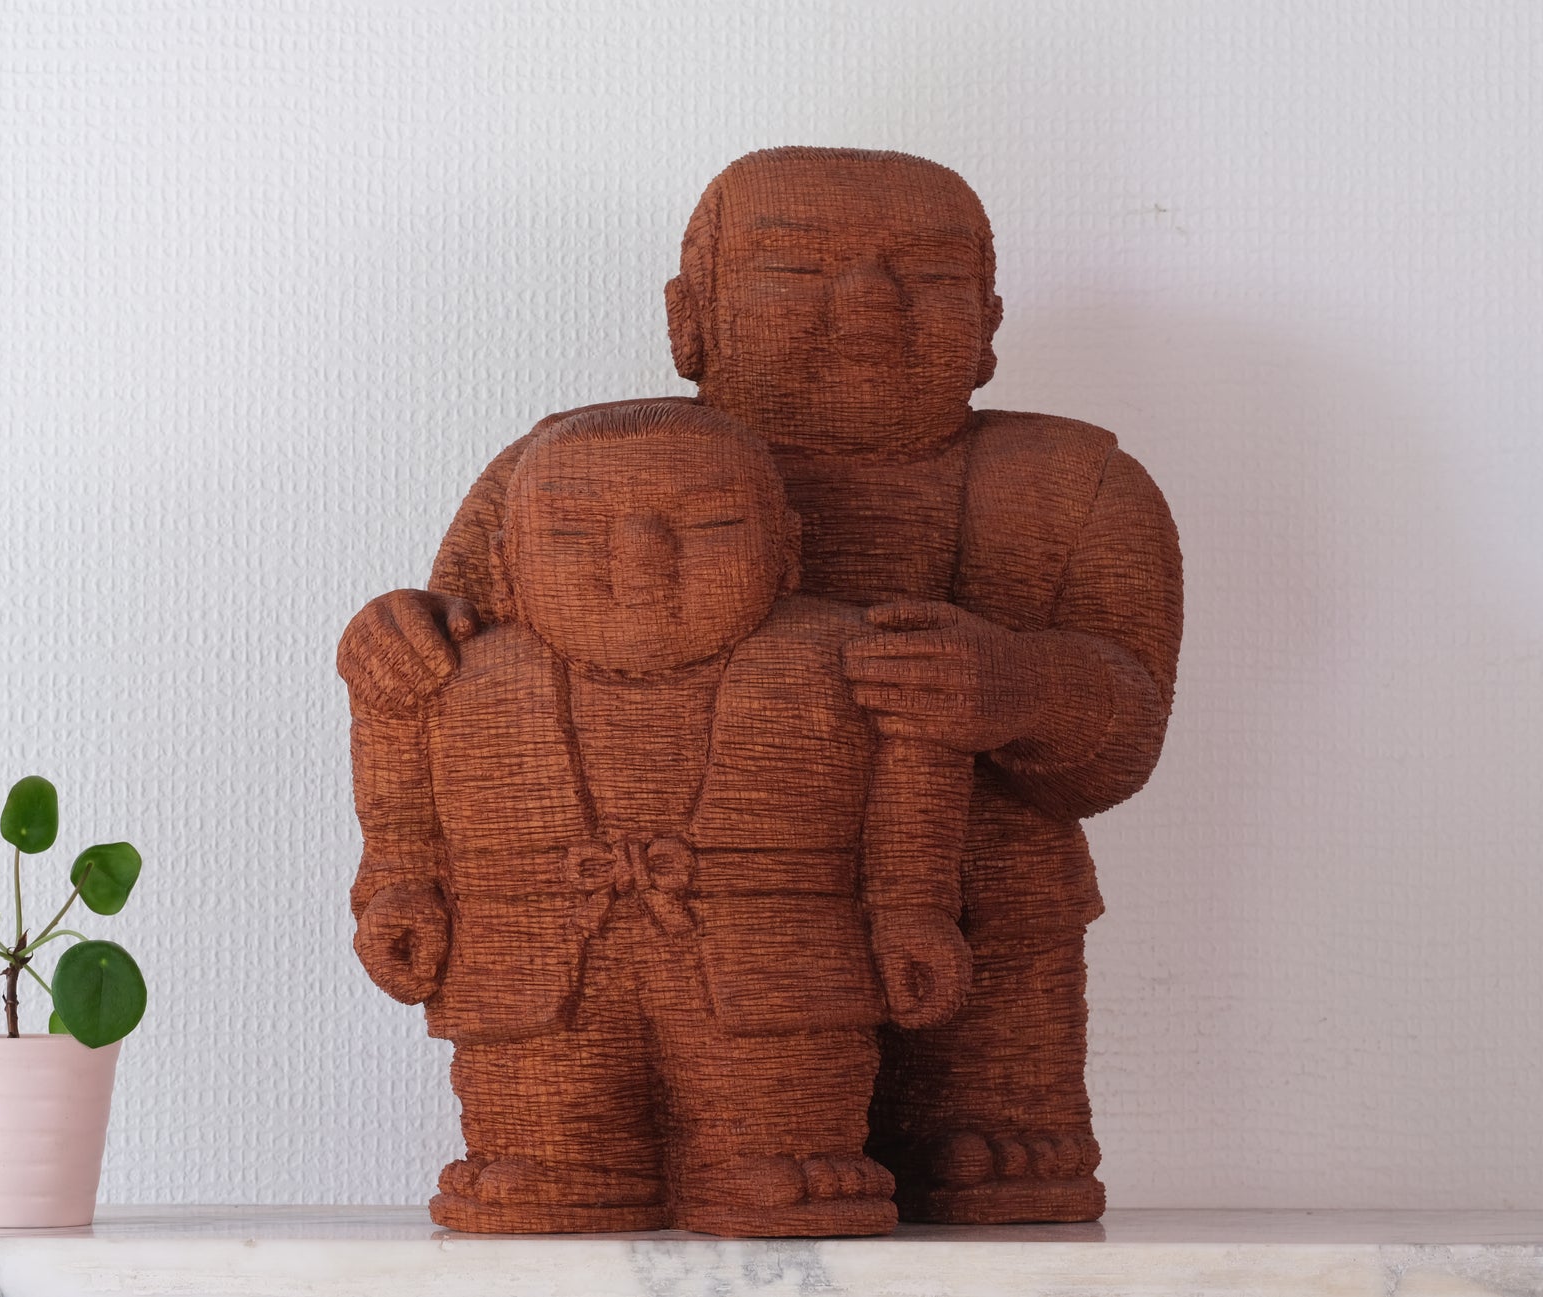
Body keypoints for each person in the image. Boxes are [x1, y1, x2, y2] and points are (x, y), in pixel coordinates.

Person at [344, 147, 1184, 1223]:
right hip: (652, 916)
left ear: (987, 324)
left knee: (1002, 951)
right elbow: (460, 677)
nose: (868, 300)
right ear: (688, 320)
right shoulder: (567, 463)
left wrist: (1021, 688)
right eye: (795, 269)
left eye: (928, 274)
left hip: (967, 912)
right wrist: (399, 637)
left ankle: (980, 1107)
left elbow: (1123, 735)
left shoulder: (1070, 489)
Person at [342, 401, 974, 1236]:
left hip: (777, 956)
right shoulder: (455, 672)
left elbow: (912, 801)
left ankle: (784, 1152)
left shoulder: (850, 657)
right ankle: (553, 1158)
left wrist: (911, 910)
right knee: (545, 1095)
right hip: (528, 961)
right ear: (504, 566)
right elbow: (400, 807)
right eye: (574, 532)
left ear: (787, 551)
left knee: (776, 1090)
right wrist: (398, 889)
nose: (640, 561)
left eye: (710, 524)